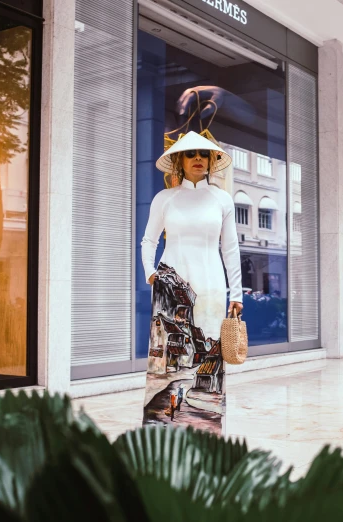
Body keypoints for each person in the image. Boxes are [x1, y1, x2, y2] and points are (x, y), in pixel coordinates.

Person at [141, 131, 243, 435]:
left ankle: (206, 435)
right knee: (165, 365)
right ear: (179, 161)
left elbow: (231, 248)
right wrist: (150, 272)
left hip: (211, 286)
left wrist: (236, 293)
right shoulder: (165, 198)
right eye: (190, 154)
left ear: (211, 160)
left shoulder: (222, 199)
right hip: (170, 288)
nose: (197, 159)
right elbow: (148, 240)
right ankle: (162, 434)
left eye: (203, 154)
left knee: (209, 352)